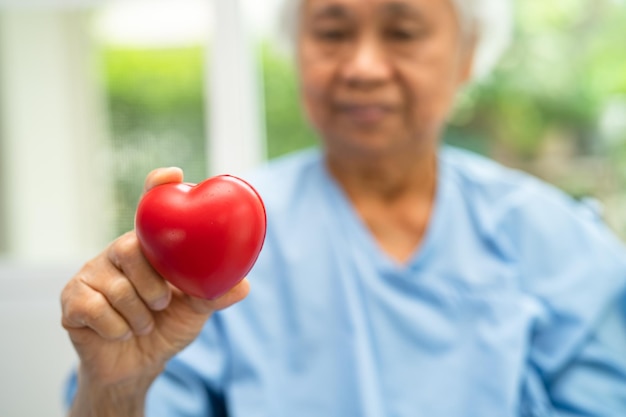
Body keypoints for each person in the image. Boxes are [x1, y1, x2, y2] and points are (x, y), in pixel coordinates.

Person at [61, 0, 626, 416]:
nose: (362, 66)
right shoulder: (213, 249)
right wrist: (115, 387)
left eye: (403, 31)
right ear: (297, 49)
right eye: (332, 32)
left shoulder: (556, 241)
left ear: (466, 54)